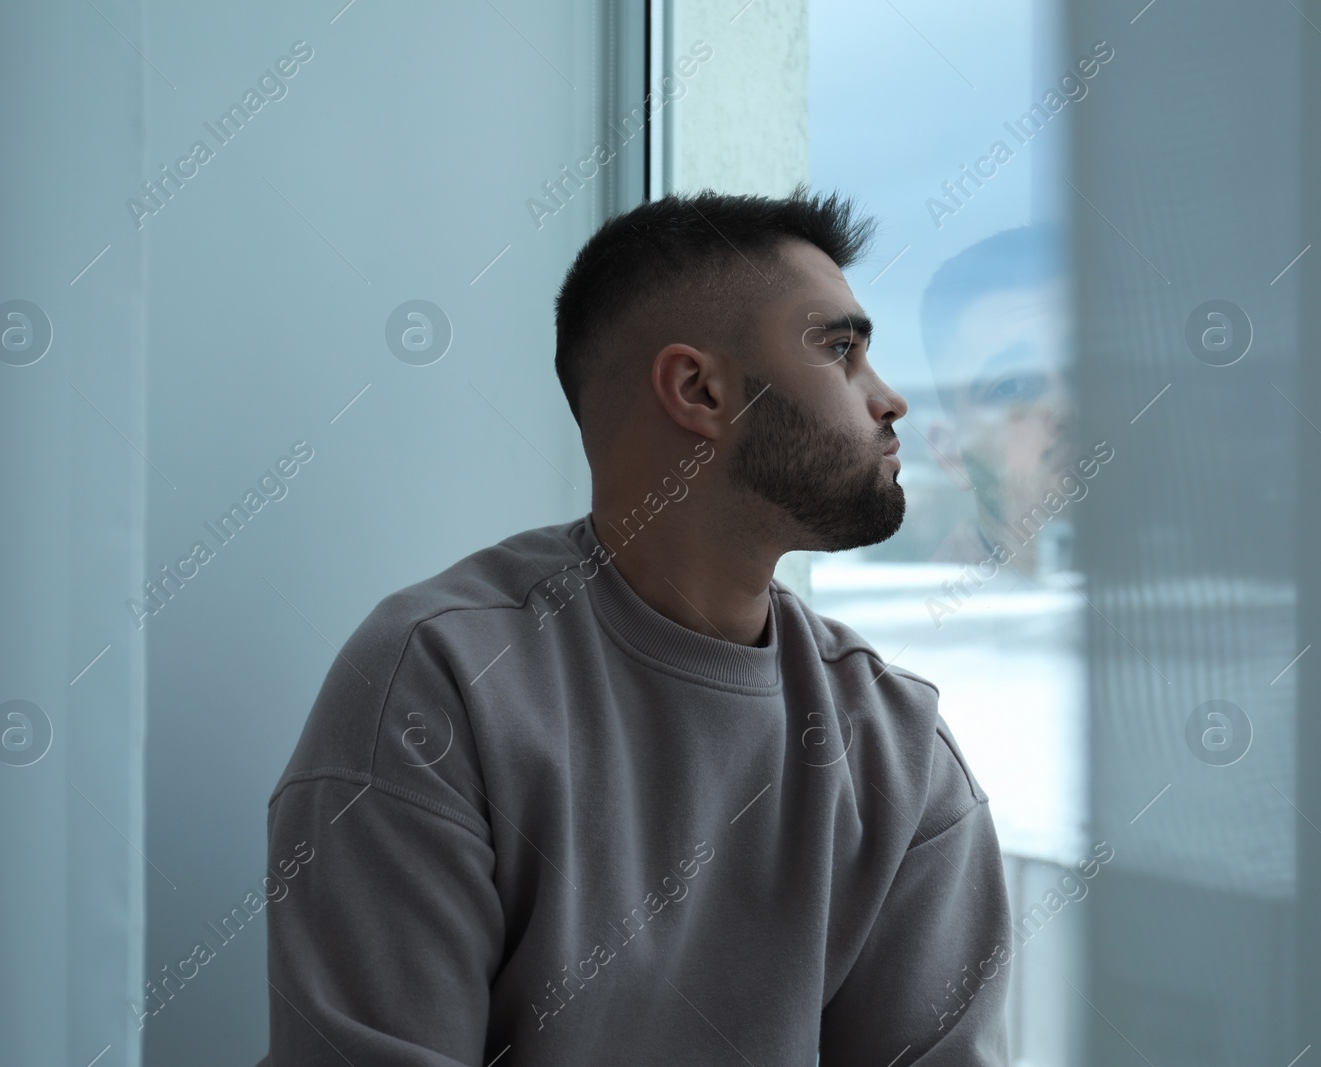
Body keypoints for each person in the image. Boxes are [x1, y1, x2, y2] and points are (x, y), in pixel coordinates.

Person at [260, 187, 1012, 1065]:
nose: (889, 400)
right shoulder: (438, 685)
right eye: (840, 349)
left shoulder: (898, 746)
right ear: (698, 389)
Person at [920, 225, 1078, 578]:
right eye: (1013, 387)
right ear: (951, 453)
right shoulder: (918, 625)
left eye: (1088, 370)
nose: (1065, 408)